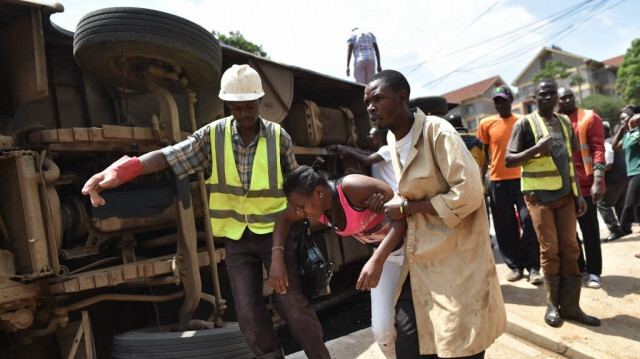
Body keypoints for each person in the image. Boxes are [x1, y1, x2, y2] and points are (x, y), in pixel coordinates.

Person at [81, 64, 330, 359]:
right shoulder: (212, 137)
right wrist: (120, 172)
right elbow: (167, 156)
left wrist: (280, 250)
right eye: (236, 108)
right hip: (237, 241)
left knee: (292, 307)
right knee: (249, 318)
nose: (244, 114)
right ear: (228, 105)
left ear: (260, 102)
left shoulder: (278, 138)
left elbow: (296, 191)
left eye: (249, 106)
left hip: (276, 235)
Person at [365, 69, 506, 358]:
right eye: (367, 101)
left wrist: (407, 207)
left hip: (456, 259)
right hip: (419, 259)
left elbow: (468, 193)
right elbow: (417, 187)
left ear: (402, 98)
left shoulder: (437, 131)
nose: (370, 107)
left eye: (378, 99)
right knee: (409, 344)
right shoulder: (392, 140)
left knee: (461, 345)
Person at [269, 166, 406, 358]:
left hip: (414, 250)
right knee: (382, 331)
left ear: (318, 192)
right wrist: (277, 257)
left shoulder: (351, 187)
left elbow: (400, 215)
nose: (299, 212)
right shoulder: (318, 207)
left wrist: (376, 259)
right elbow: (283, 218)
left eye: (301, 206)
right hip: (388, 258)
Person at [504, 79, 600, 328]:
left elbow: (570, 160)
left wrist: (578, 193)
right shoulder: (525, 124)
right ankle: (553, 306)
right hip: (538, 198)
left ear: (557, 97)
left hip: (566, 196)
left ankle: (571, 307)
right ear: (534, 98)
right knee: (549, 250)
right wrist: (535, 149)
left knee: (571, 249)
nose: (548, 97)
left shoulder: (565, 122)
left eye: (551, 93)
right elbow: (509, 160)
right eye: (542, 94)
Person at [477, 85, 541, 284]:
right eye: (497, 101)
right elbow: (482, 155)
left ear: (510, 100)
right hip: (497, 181)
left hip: (523, 179)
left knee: (528, 221)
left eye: (503, 100)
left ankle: (533, 267)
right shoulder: (486, 124)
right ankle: (515, 266)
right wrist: (481, 183)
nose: (500, 104)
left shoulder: (522, 121)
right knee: (505, 227)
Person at [557, 87, 606, 289]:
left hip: (585, 185)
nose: (567, 100)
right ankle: (581, 266)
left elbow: (598, 149)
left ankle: (594, 272)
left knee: (590, 230)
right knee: (569, 233)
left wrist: (597, 180)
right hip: (561, 187)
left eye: (570, 96)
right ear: (557, 101)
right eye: (563, 98)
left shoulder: (589, 117)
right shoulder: (553, 120)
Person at [328, 127, 397, 191]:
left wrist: (346, 150)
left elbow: (367, 160)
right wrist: (358, 174)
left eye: (370, 135)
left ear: (378, 138)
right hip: (387, 192)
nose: (367, 137)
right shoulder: (378, 156)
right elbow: (376, 179)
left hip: (393, 192)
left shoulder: (386, 149)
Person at [597, 121, 631, 241]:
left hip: (614, 179)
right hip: (624, 177)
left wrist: (596, 172)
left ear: (604, 132)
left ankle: (615, 230)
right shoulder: (615, 141)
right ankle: (626, 228)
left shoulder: (606, 144)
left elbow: (609, 164)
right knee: (620, 203)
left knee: (602, 203)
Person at [612, 108, 640, 242]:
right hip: (632, 173)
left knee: (630, 204)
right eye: (620, 119)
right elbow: (614, 146)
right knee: (637, 207)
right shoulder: (629, 135)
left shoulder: (638, 132)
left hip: (639, 172)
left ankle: (623, 227)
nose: (622, 121)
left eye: (625, 118)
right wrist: (622, 129)